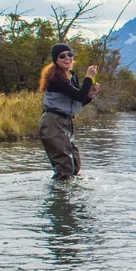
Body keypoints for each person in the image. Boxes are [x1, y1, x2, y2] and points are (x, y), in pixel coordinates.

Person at [38, 43, 100, 180]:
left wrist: (89, 95)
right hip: (53, 122)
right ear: (56, 60)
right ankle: (59, 199)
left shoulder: (71, 76)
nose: (67, 58)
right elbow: (78, 95)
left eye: (70, 54)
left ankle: (71, 197)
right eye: (62, 56)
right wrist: (88, 78)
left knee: (75, 165)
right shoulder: (55, 78)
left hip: (66, 121)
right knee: (64, 168)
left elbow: (78, 101)